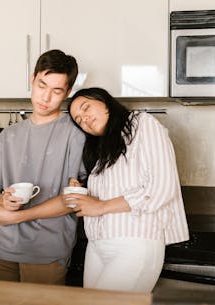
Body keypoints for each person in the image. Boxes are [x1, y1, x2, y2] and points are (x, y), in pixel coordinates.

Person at [64, 87, 189, 293]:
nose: (84, 119)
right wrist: (81, 190)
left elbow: (161, 188)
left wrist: (101, 206)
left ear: (104, 101)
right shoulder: (102, 148)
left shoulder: (142, 125)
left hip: (135, 244)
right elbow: (114, 187)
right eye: (78, 120)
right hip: (97, 246)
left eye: (86, 108)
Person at [0, 49, 86, 285]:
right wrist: (1, 202)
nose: (45, 97)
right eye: (41, 85)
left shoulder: (75, 134)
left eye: (56, 91)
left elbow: (72, 200)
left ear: (67, 92)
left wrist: (18, 217)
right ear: (32, 79)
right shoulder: (8, 135)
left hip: (46, 252)